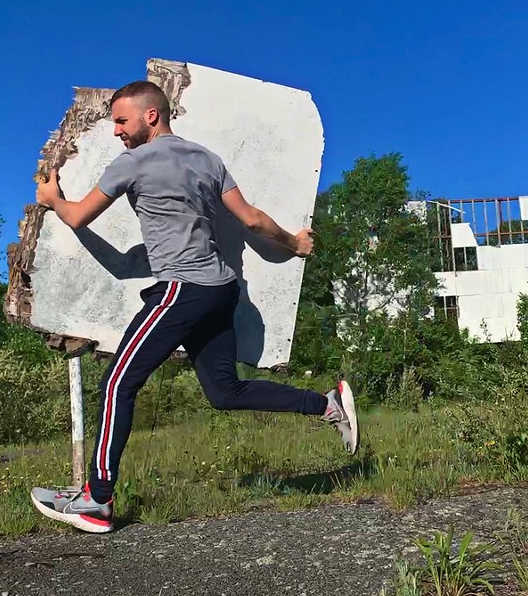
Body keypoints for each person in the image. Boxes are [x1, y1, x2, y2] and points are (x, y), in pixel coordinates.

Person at [29, 80, 358, 534]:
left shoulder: (134, 162)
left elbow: (79, 216)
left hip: (182, 290)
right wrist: (294, 243)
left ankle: (95, 500)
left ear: (151, 116)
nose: (116, 132)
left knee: (116, 385)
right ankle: (326, 404)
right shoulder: (208, 160)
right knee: (225, 392)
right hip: (221, 289)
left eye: (121, 121)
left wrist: (52, 200)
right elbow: (252, 220)